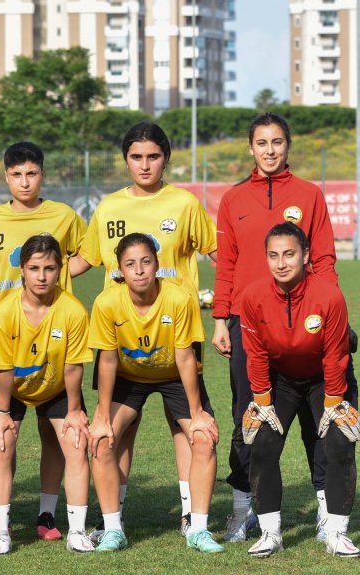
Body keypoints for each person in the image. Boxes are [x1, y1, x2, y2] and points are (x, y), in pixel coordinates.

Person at [210, 112, 354, 542]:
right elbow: (226, 265)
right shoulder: (233, 200)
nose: (269, 150)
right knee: (248, 416)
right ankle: (242, 509)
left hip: (306, 320)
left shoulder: (310, 195)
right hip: (247, 321)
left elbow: (324, 259)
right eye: (261, 143)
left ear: (287, 146)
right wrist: (221, 319)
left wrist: (326, 311)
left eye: (277, 142)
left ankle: (326, 511)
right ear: (250, 148)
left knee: (318, 417)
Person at [71, 122, 217, 535]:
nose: (145, 164)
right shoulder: (109, 207)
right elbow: (83, 260)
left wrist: (240, 300)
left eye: (153, 156)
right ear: (126, 160)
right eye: (136, 156)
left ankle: (192, 515)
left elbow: (219, 252)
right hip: (122, 338)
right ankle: (112, 516)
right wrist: (30, 285)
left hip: (176, 336)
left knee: (185, 429)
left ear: (166, 158)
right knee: (119, 432)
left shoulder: (185, 204)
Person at [86, 233, 222, 554]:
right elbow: (106, 360)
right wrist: (103, 416)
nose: (139, 270)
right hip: (127, 376)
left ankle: (198, 529)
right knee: (102, 440)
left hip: (174, 375)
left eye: (146, 261)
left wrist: (197, 411)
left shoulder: (179, 298)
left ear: (158, 265)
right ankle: (112, 528)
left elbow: (186, 357)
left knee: (203, 438)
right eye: (130, 264)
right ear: (119, 271)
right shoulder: (107, 302)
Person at [0, 142, 86, 542]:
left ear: (43, 173)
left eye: (32, 173)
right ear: (6, 176)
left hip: (55, 340)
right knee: (1, 438)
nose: (25, 181)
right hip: (9, 332)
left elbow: (87, 253)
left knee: (58, 438)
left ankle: (47, 515)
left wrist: (60, 278)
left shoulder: (63, 215)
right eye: (17, 174)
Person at [240, 223, 360, 558]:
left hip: (325, 377)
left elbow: (336, 354)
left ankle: (336, 533)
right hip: (281, 379)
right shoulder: (252, 296)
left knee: (338, 443)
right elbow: (256, 353)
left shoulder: (329, 296)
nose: (281, 263)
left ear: (306, 255)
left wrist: (335, 403)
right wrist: (263, 401)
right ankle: (270, 533)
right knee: (262, 444)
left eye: (289, 254)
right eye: (273, 255)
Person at [0, 235, 93, 555]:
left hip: (57, 386)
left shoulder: (72, 310)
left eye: (49, 268)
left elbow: (73, 367)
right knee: (1, 444)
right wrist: (2, 412)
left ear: (60, 270)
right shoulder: (5, 312)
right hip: (11, 389)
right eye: (34, 268)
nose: (41, 276)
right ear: (22, 270)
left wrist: (74, 410)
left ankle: (76, 529)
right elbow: (2, 370)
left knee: (75, 442)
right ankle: (1, 531)